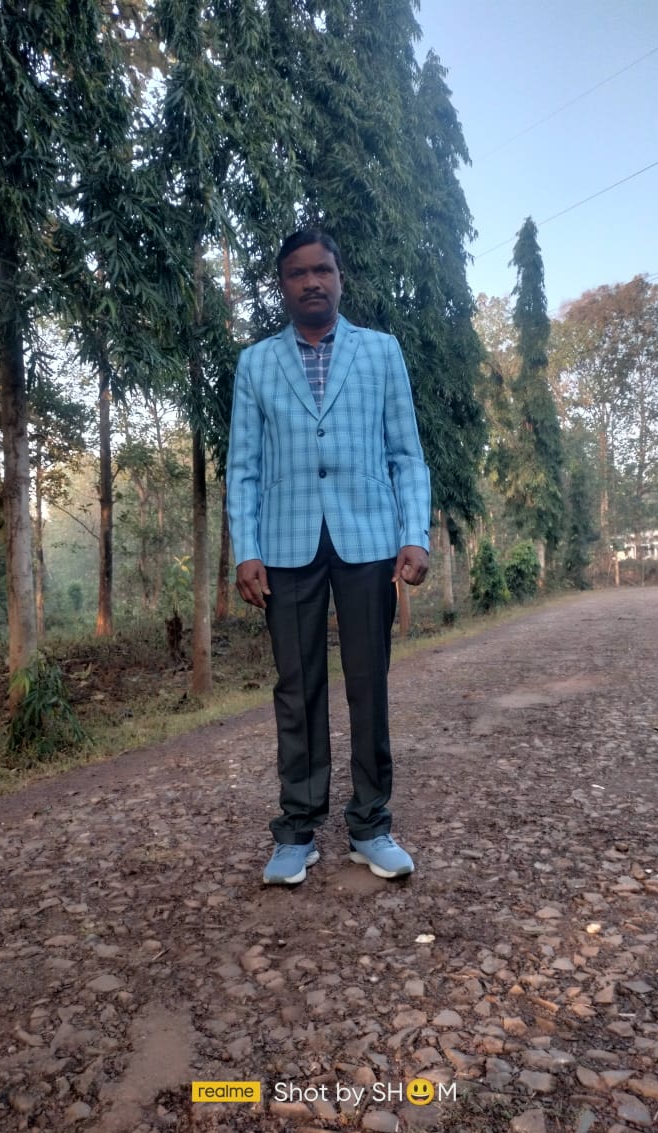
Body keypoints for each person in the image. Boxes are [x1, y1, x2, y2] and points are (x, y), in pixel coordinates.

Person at [226, 229, 431, 885]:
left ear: (340, 278)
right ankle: (297, 830)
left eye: (323, 270)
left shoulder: (381, 351)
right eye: (297, 272)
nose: (311, 281)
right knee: (297, 688)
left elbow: (406, 454)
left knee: (369, 683)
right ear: (282, 285)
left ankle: (371, 825)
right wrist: (246, 549)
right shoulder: (256, 363)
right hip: (285, 544)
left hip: (368, 540)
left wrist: (415, 533)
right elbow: (243, 468)